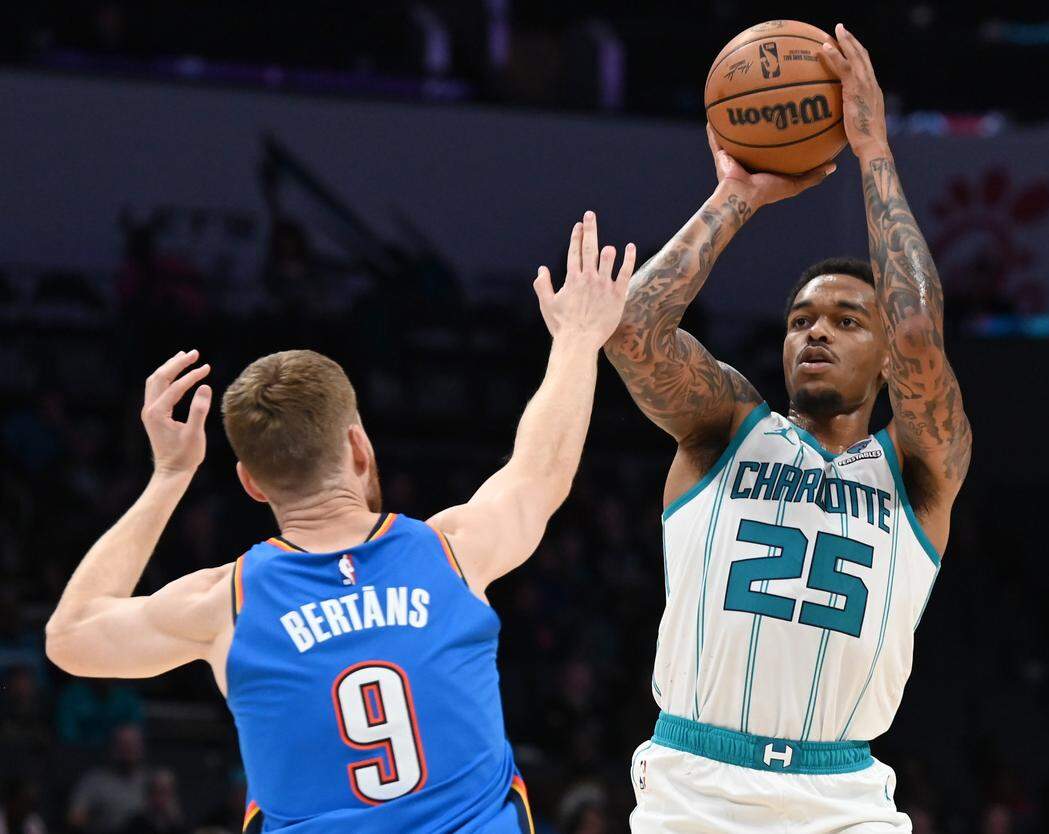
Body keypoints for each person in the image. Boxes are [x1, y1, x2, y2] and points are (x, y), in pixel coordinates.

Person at [45, 213, 637, 833]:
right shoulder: (452, 552)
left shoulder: (226, 603)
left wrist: (169, 476)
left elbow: (69, 637)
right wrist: (577, 338)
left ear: (250, 483)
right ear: (359, 446)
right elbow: (541, 471)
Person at [605, 25, 972, 833]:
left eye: (847, 320)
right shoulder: (725, 428)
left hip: (843, 799)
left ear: (885, 358)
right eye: (802, 319)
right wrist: (735, 196)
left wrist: (873, 150)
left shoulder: (918, 471)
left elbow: (918, 330)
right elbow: (629, 330)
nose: (817, 332)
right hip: (694, 789)